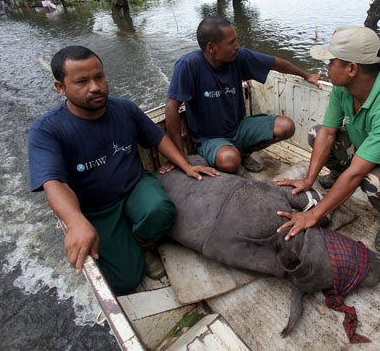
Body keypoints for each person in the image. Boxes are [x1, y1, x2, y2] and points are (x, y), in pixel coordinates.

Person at [28, 46, 218, 295]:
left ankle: (142, 242)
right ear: (60, 88)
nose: (95, 87)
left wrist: (185, 165)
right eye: (82, 81)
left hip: (135, 186)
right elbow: (54, 183)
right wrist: (75, 222)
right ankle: (129, 245)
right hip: (96, 209)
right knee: (124, 281)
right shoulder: (46, 130)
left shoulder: (124, 109)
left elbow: (157, 139)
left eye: (99, 77)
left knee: (160, 209)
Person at [274, 26, 380, 253]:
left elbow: (358, 172)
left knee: (372, 180)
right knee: (316, 133)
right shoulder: (343, 89)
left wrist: (313, 214)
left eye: (331, 62)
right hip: (366, 148)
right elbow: (328, 132)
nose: (327, 67)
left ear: (351, 68)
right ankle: (338, 173)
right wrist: (309, 180)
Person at [164, 16, 322, 174]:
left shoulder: (238, 57)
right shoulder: (189, 65)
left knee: (286, 126)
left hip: (238, 128)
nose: (237, 46)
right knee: (230, 160)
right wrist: (179, 157)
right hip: (210, 138)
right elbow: (172, 107)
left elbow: (275, 62)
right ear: (212, 48)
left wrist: (305, 75)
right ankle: (230, 154)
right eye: (231, 42)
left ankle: (243, 153)